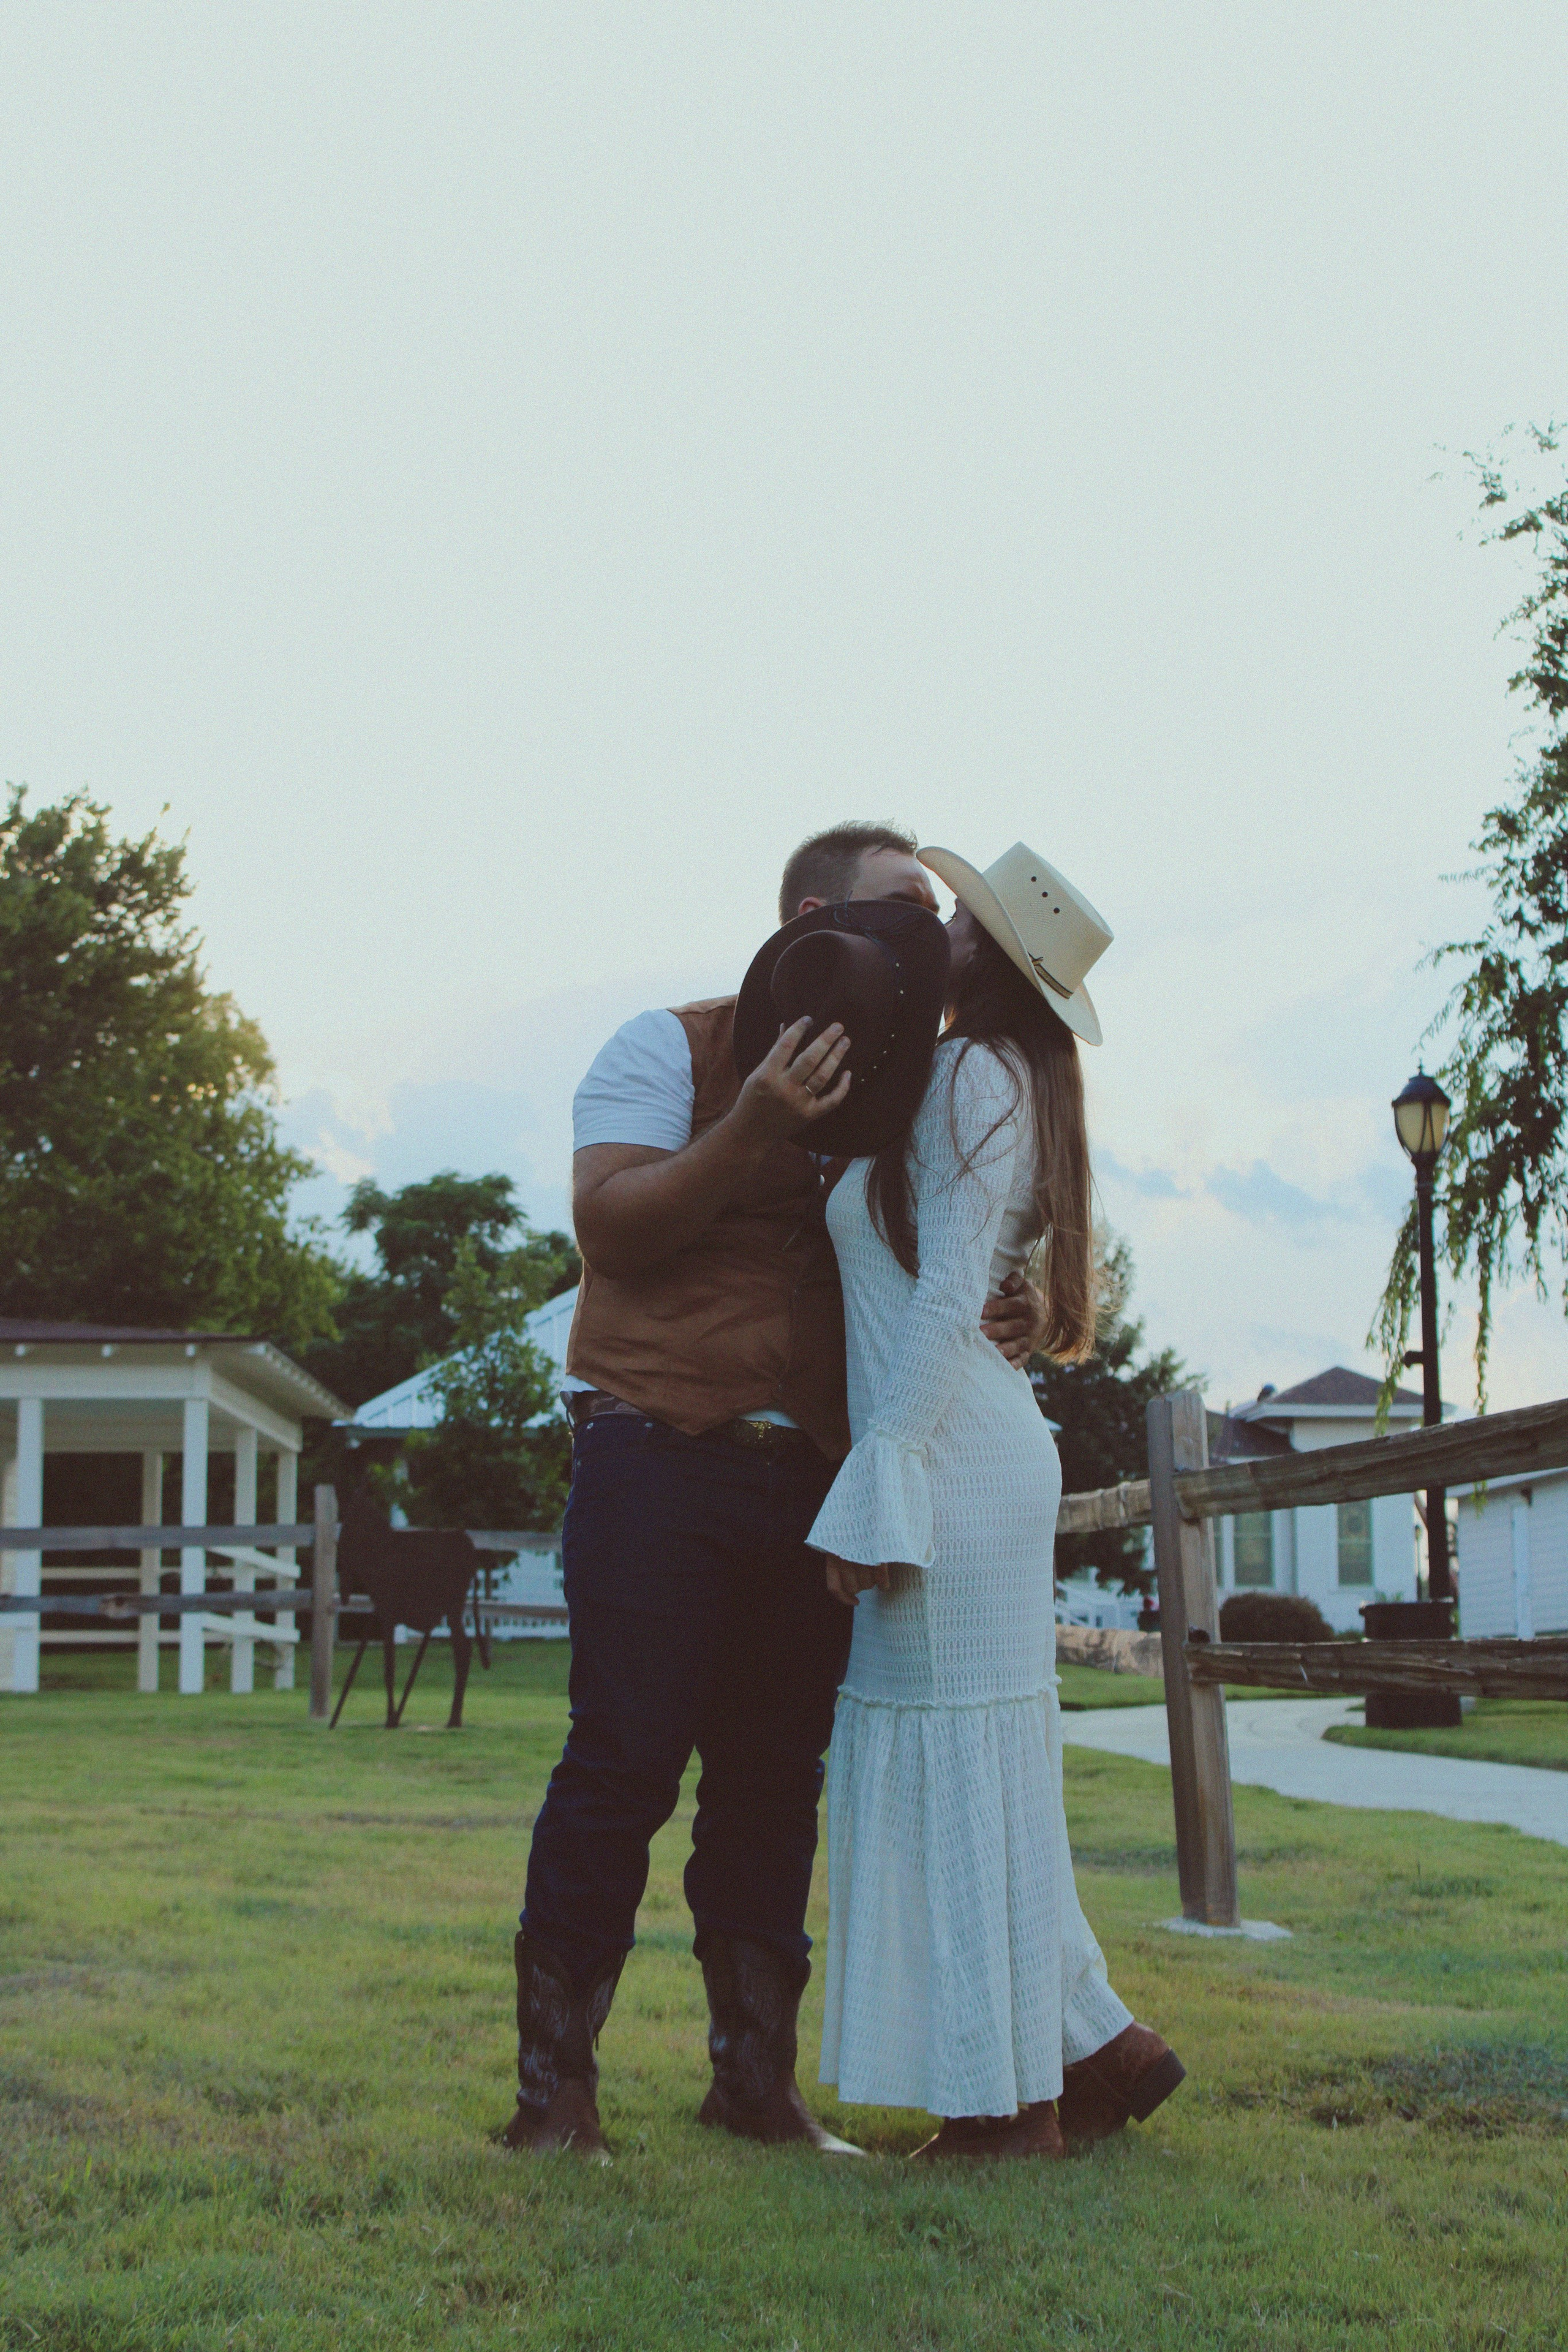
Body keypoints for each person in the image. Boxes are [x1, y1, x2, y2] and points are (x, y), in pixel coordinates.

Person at [504, 822, 1042, 2158]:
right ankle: (553, 2094)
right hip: (653, 1455)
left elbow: (909, 1270)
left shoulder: (906, 1090)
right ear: (812, 918)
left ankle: (754, 2087)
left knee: (767, 1780)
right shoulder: (662, 1048)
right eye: (899, 918)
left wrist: (991, 1300)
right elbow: (611, 1231)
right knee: (620, 1762)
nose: (926, 947)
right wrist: (751, 1125)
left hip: (808, 1477)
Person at [807, 839, 1184, 2159]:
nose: (940, 931)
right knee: (981, 1777)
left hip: (948, 1459)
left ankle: (1004, 2110)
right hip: (970, 1449)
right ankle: (1088, 2055)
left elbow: (938, 1294)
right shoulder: (995, 1075)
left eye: (957, 918)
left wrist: (879, 1482)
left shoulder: (975, 1071)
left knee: (956, 1778)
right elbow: (955, 1284)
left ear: (989, 956)